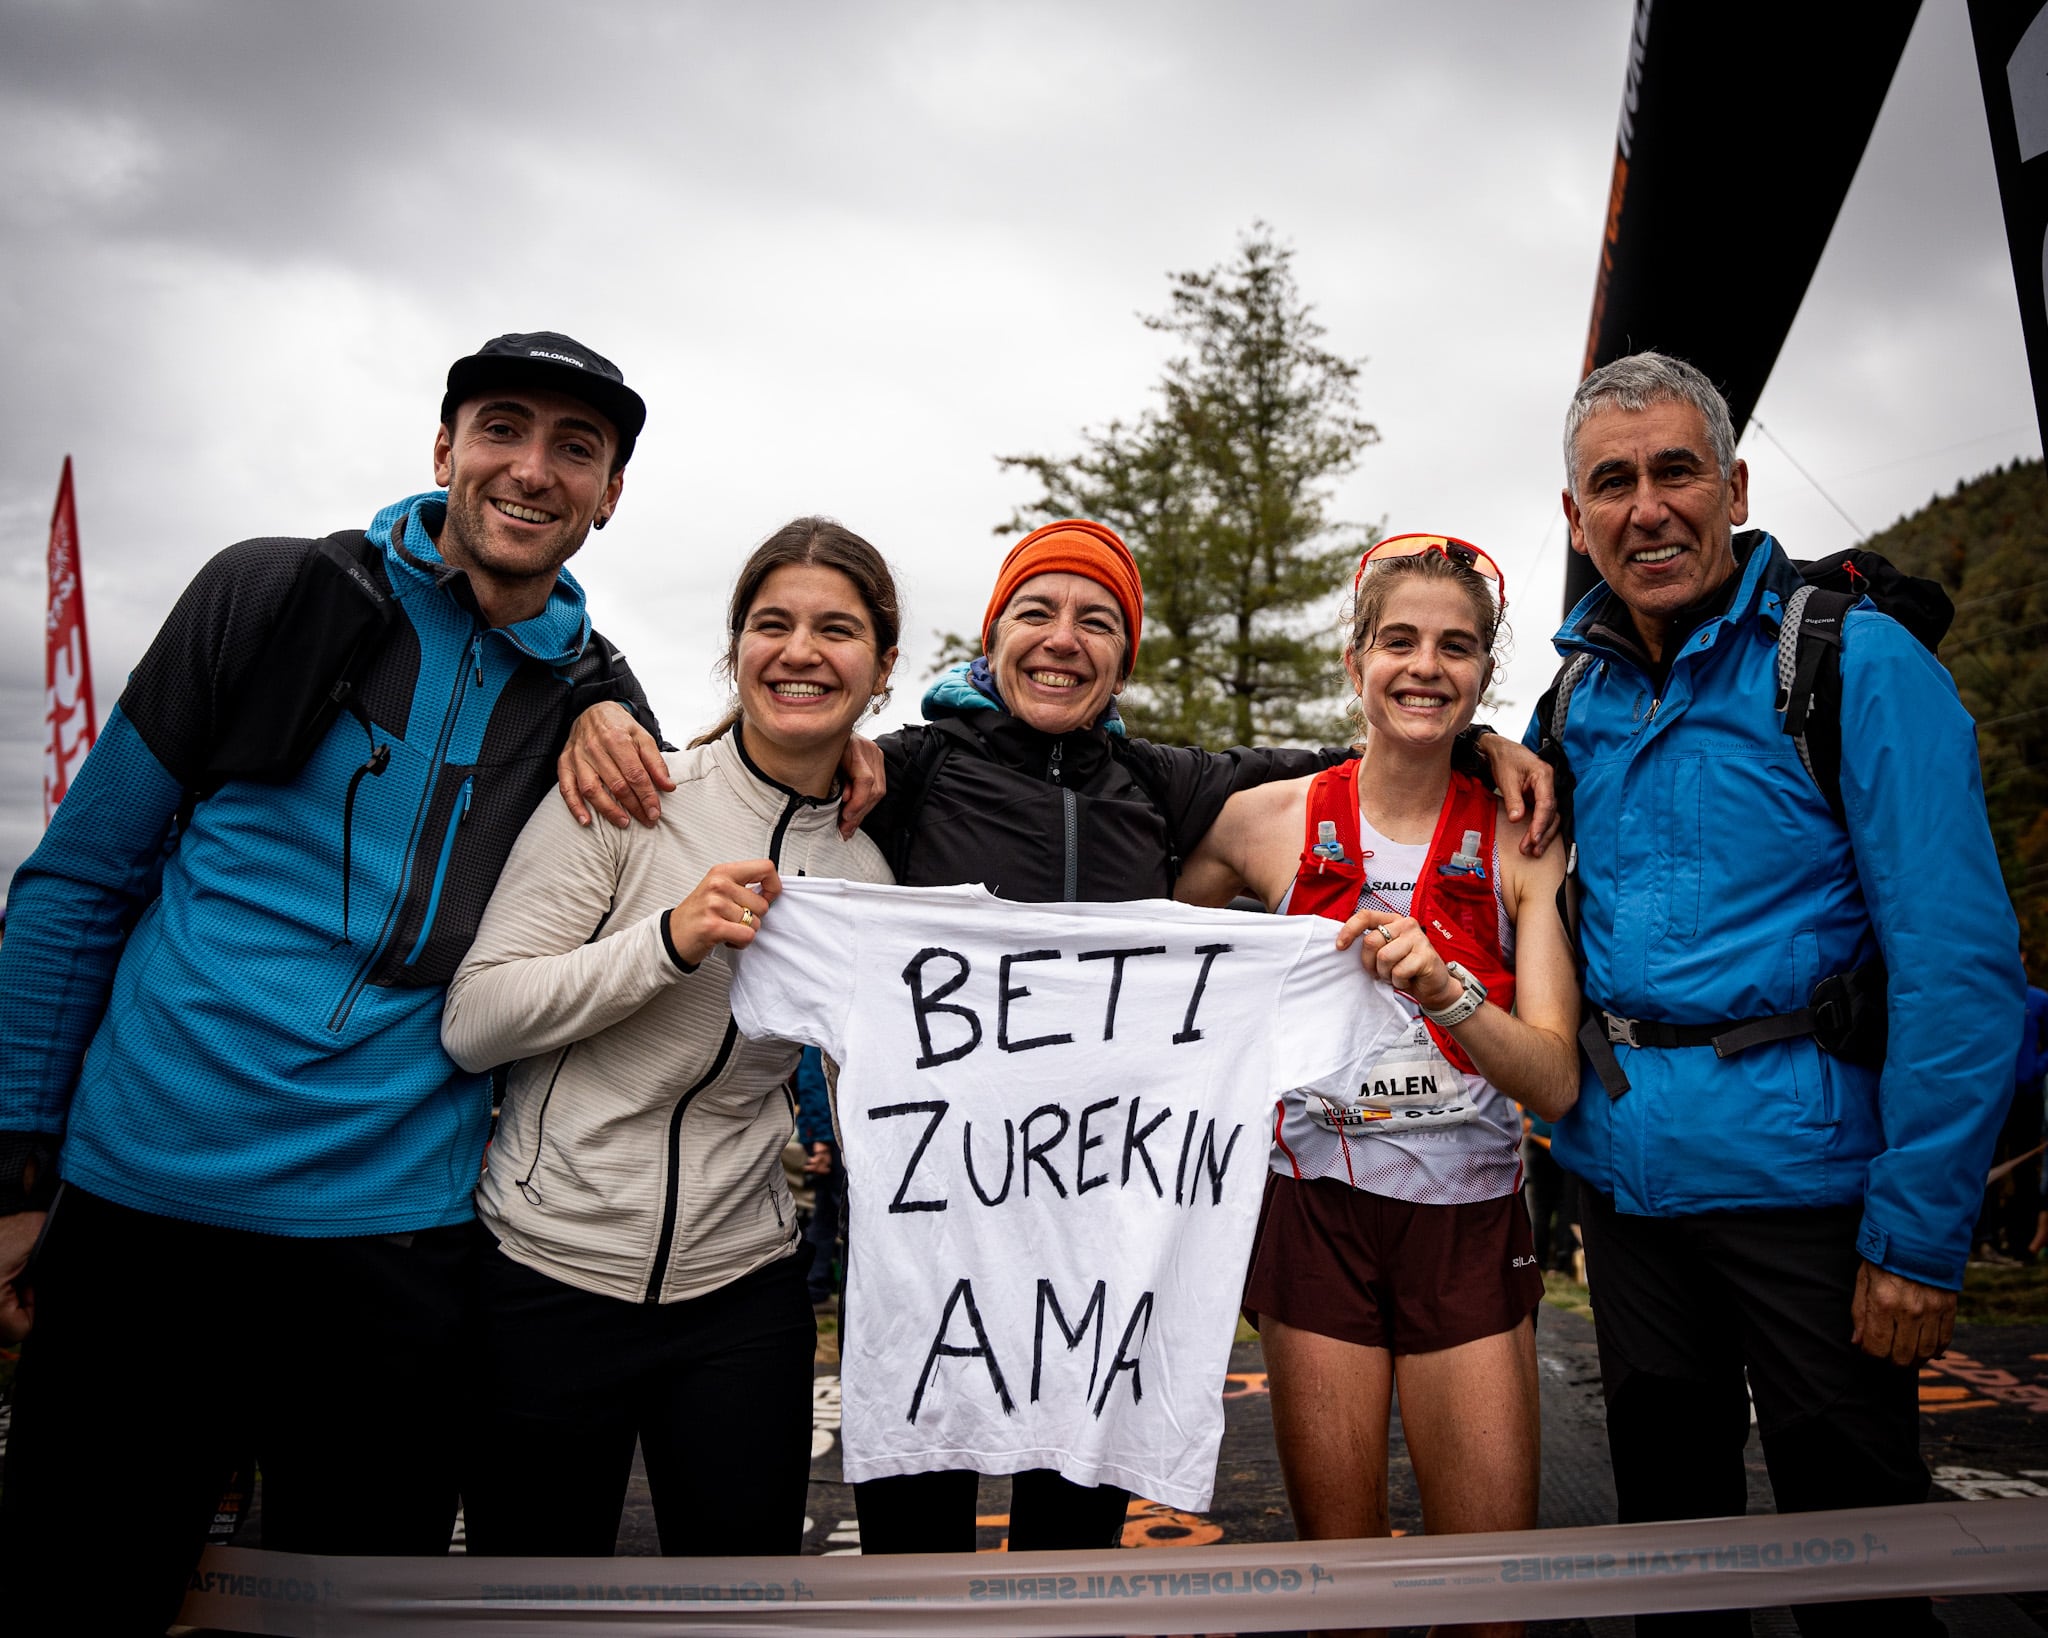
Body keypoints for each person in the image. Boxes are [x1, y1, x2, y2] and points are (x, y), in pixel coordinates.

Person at [0, 331, 676, 1632]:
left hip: (392, 1250)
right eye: (502, 427)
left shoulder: (600, 697)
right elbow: (77, 882)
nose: (532, 468)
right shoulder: (265, 594)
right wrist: (19, 1179)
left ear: (609, 493)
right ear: (443, 449)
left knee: (350, 1627)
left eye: (575, 448)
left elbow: (727, 810)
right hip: (149, 1216)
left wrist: (879, 769)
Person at [846, 517, 1560, 1556]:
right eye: (1035, 613)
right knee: (915, 1575)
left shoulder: (1159, 787)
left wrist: (1485, 743)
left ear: (1124, 656)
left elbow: (1359, 758)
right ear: (990, 634)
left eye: (1096, 620)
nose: (1061, 639)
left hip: (1103, 1237)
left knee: (1069, 1568)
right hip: (939, 1226)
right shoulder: (904, 773)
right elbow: (770, 776)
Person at [1536, 352, 2024, 1638]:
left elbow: (1959, 969)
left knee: (1855, 1578)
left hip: (1814, 1199)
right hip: (1630, 1194)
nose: (1646, 508)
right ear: (1573, 517)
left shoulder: (1853, 666)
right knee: (1672, 1573)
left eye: (1675, 471)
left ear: (1734, 485)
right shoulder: (1574, 693)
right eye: (1612, 482)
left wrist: (1918, 1234)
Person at [440, 518, 897, 1557]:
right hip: (549, 1270)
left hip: (746, 1290)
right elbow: (476, 1022)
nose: (799, 652)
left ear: (881, 668)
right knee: (530, 1608)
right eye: (770, 623)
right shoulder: (626, 795)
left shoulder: (869, 870)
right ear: (734, 647)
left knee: (742, 1608)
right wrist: (668, 940)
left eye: (836, 630)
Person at [1179, 535, 1577, 1638]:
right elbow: (1146, 957)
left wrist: (1449, 994)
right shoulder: (1264, 821)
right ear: (1353, 659)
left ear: (1481, 675)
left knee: (1489, 1604)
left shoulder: (1517, 831)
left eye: (1454, 648)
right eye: (1397, 640)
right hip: (1312, 1213)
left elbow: (1552, 1078)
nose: (1423, 667)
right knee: (1341, 1592)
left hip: (1464, 1217)